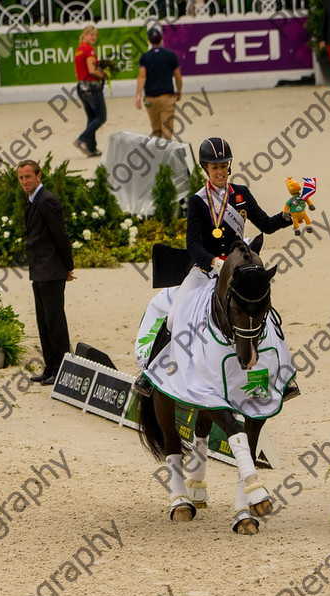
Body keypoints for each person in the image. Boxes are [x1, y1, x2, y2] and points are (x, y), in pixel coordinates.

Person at [133, 137, 295, 395]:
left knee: (266, 315)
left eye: (224, 166)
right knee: (174, 317)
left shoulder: (240, 194)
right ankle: (151, 372)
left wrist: (287, 216)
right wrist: (213, 262)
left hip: (237, 272)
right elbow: (192, 245)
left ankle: (285, 379)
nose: (220, 172)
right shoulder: (198, 201)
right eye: (215, 167)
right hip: (207, 270)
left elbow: (265, 224)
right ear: (205, 169)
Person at [18, 160, 75, 386]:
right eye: (21, 178)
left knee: (55, 322)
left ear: (39, 176)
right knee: (43, 322)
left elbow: (60, 236)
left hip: (51, 271)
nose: (25, 182)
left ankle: (61, 369)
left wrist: (67, 266)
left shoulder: (47, 200)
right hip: (39, 271)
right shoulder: (33, 201)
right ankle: (50, 366)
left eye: (28, 177)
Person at [135, 26, 182, 140]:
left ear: (149, 41)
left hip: (150, 99)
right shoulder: (171, 55)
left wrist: (138, 95)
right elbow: (178, 76)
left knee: (156, 132)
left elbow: (142, 77)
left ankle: (156, 156)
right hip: (166, 97)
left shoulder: (145, 57)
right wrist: (179, 92)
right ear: (161, 39)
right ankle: (165, 157)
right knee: (167, 131)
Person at [73, 25, 106, 157]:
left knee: (92, 118)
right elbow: (92, 70)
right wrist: (103, 74)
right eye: (91, 35)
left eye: (95, 35)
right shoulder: (89, 50)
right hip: (92, 87)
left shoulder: (79, 50)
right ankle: (81, 139)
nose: (94, 37)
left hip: (81, 86)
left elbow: (77, 72)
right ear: (85, 35)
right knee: (101, 117)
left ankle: (91, 148)